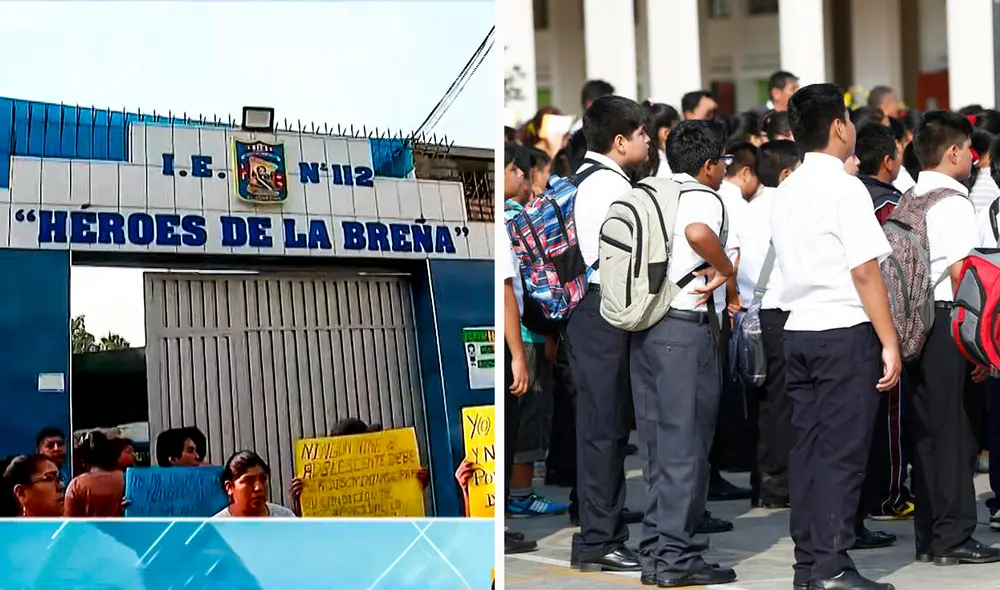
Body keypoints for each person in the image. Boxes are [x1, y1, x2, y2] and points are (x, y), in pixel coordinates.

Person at [773, 83, 901, 590]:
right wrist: (889, 340)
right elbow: (865, 271)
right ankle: (831, 566)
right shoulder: (845, 189)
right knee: (843, 456)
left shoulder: (787, 188)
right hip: (843, 333)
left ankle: (810, 564)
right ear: (838, 128)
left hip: (799, 331)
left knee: (808, 452)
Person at [630, 119, 738, 587]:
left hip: (647, 331)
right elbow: (697, 233)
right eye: (723, 163)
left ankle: (656, 553)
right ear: (710, 164)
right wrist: (727, 267)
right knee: (688, 451)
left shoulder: (652, 193)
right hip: (684, 332)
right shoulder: (703, 198)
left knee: (658, 452)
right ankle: (679, 559)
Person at [906, 110, 1000, 566]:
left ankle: (929, 535)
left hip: (913, 326)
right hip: (947, 325)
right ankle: (956, 537)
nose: (975, 159)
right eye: (970, 150)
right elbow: (966, 277)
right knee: (957, 434)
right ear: (954, 152)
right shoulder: (955, 202)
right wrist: (981, 347)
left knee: (926, 433)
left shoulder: (910, 197)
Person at [565, 95, 649, 572]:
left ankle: (602, 533)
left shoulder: (590, 179)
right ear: (620, 141)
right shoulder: (608, 187)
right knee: (603, 430)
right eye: (640, 135)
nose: (645, 142)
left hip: (593, 312)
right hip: (603, 311)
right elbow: (612, 261)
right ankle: (600, 540)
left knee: (605, 428)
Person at [853, 123, 914, 541]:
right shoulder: (888, 203)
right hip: (880, 317)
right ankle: (888, 496)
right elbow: (891, 268)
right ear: (888, 160)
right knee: (890, 417)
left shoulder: (847, 194)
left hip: (840, 320)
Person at [739, 139, 799, 509]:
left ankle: (762, 483)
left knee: (764, 404)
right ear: (787, 173)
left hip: (754, 314)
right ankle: (779, 485)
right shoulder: (787, 206)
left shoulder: (749, 208)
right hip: (783, 312)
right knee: (784, 406)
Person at [501, 141, 539, 555]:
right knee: (510, 436)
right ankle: (503, 527)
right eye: (516, 169)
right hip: (512, 345)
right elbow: (506, 292)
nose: (522, 178)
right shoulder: (502, 225)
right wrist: (517, 357)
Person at [63, 430, 127, 517]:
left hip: (87, 530)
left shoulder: (76, 485)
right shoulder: (125, 479)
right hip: (123, 530)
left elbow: (69, 522)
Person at [213, 450, 296, 517]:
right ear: (229, 487)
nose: (258, 487)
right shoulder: (214, 530)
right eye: (248, 481)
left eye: (263, 479)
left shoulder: (286, 518)